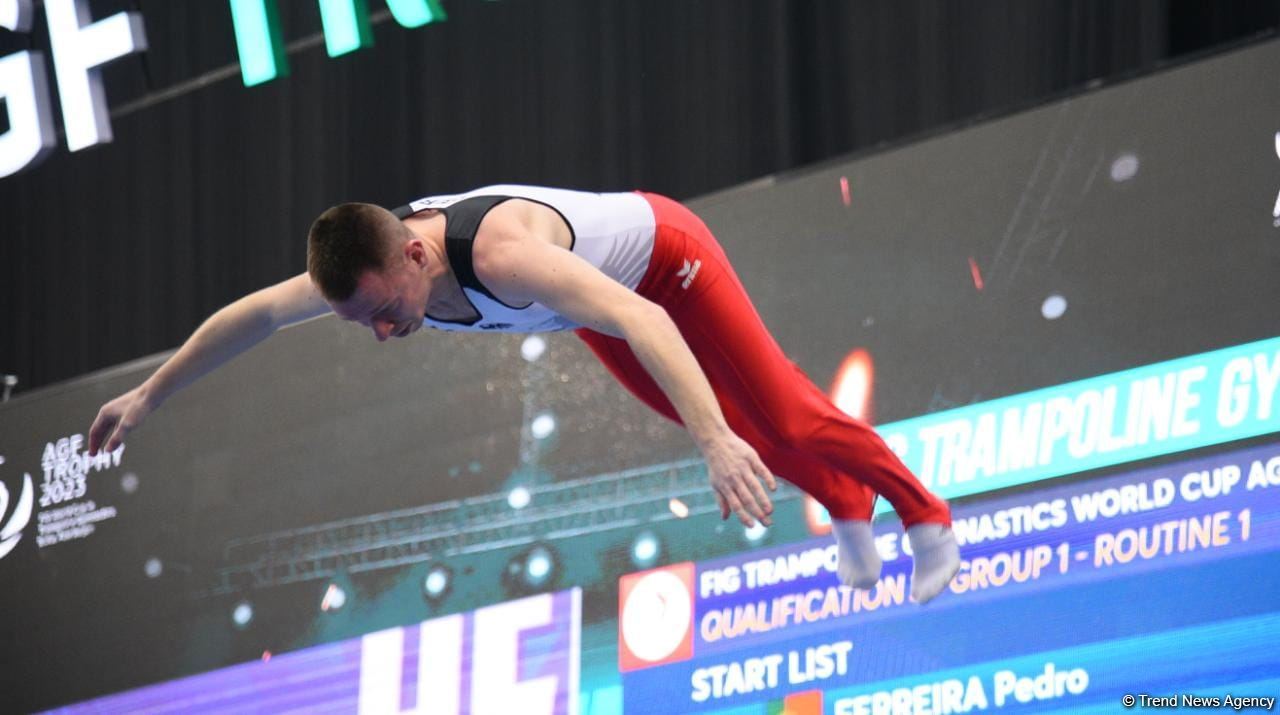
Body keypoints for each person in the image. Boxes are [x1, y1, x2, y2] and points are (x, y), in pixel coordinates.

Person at [87, 185, 960, 603]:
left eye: (389, 312)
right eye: (366, 324)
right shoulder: (370, 272)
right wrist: (151, 396)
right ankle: (846, 501)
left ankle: (926, 517)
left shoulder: (501, 254)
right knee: (744, 434)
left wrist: (710, 438)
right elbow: (253, 317)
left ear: (418, 257)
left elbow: (644, 318)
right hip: (591, 308)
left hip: (666, 266)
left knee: (773, 418)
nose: (385, 334)